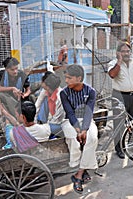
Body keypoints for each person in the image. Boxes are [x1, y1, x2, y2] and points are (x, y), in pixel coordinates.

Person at [60, 64, 98, 194]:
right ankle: (79, 166)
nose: (66, 81)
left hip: (87, 121)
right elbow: (69, 113)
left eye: (69, 78)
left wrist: (85, 130)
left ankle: (78, 174)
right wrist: (78, 130)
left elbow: (89, 112)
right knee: (74, 140)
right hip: (70, 122)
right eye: (66, 78)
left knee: (92, 138)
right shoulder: (64, 93)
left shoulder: (91, 91)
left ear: (79, 78)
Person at [108, 40, 133, 159]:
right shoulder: (113, 63)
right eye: (123, 51)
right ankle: (119, 149)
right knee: (119, 124)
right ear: (118, 52)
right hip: (119, 96)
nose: (126, 53)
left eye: (128, 51)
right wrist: (119, 61)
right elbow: (112, 75)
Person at [0, 57, 31, 149]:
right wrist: (12, 88)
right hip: (6, 101)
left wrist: (24, 95)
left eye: (16, 69)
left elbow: (28, 90)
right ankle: (12, 138)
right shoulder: (2, 74)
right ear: (6, 69)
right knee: (2, 96)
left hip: (19, 100)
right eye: (12, 70)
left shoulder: (21, 74)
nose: (15, 71)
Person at [35, 71, 65, 137]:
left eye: (42, 82)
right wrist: (34, 123)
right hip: (50, 121)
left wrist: (46, 127)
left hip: (59, 124)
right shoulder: (45, 91)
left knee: (42, 132)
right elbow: (37, 106)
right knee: (43, 101)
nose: (41, 83)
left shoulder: (60, 97)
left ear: (47, 86)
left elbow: (56, 119)